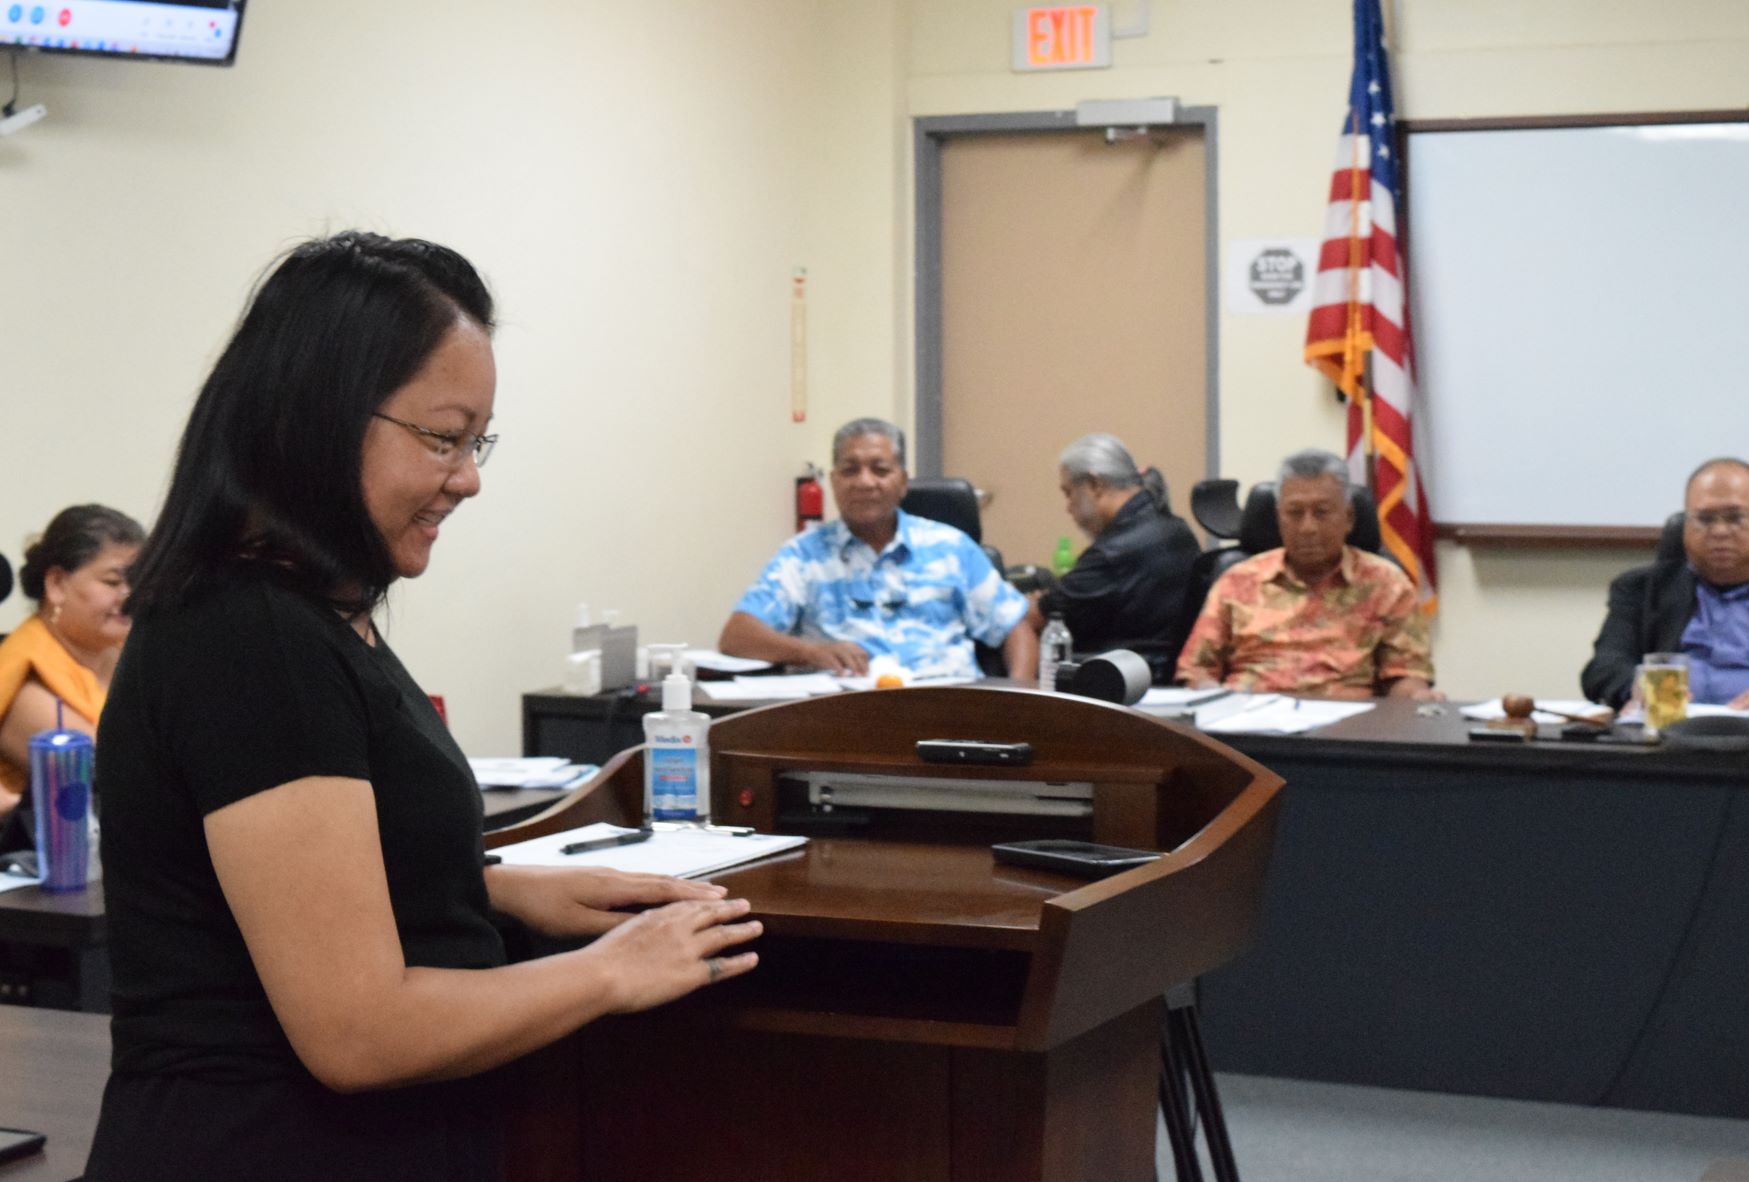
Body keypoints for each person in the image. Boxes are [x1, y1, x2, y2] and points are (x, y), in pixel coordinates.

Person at [84, 232, 761, 1182]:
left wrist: (482, 884)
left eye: (476, 442)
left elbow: (283, 882)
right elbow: (358, 1032)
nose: (468, 476)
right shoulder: (253, 639)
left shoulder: (308, 616)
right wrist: (613, 969)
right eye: (442, 438)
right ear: (314, 420)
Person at [718, 417, 1037, 680]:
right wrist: (811, 652)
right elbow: (737, 635)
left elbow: (1015, 628)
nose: (865, 482)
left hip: (948, 714)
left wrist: (1016, 702)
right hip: (844, 724)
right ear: (833, 481)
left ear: (902, 482)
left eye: (880, 470)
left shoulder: (950, 548)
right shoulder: (804, 555)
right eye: (850, 470)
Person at [1176, 448, 1439, 700]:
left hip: (1346, 735)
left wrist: (1417, 697)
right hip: (1248, 731)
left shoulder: (1387, 584)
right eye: (1295, 513)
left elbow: (1405, 676)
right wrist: (1212, 696)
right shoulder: (1238, 581)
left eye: (1321, 513)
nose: (1308, 527)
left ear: (1348, 518)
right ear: (1279, 518)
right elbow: (1196, 670)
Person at [1581, 457, 1749, 710]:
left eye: (1735, 518)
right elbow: (1604, 667)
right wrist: (1636, 687)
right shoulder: (1641, 588)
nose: (1720, 531)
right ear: (1685, 525)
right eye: (1704, 519)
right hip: (1667, 734)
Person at [0, 504, 144, 827]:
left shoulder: (125, 650)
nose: (131, 595)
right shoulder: (24, 672)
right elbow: (119, 780)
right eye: (112, 582)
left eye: (139, 581)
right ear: (56, 584)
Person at [1025, 434, 1201, 684]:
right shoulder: (1177, 529)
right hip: (1158, 676)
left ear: (1095, 484)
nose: (1068, 507)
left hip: (1115, 684)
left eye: (1069, 493)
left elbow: (1038, 617)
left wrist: (1032, 602)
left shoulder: (1114, 552)